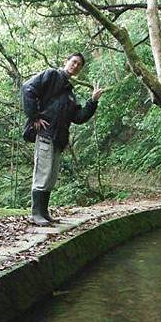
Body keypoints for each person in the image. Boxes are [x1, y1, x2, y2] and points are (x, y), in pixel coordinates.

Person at [21, 52, 103, 226]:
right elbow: (28, 88)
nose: (75, 66)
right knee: (43, 172)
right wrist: (34, 116)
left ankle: (44, 213)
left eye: (79, 65)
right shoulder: (51, 75)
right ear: (66, 62)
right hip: (45, 133)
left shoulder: (70, 94)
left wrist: (93, 101)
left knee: (50, 175)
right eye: (73, 62)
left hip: (59, 138)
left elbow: (79, 117)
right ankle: (36, 214)